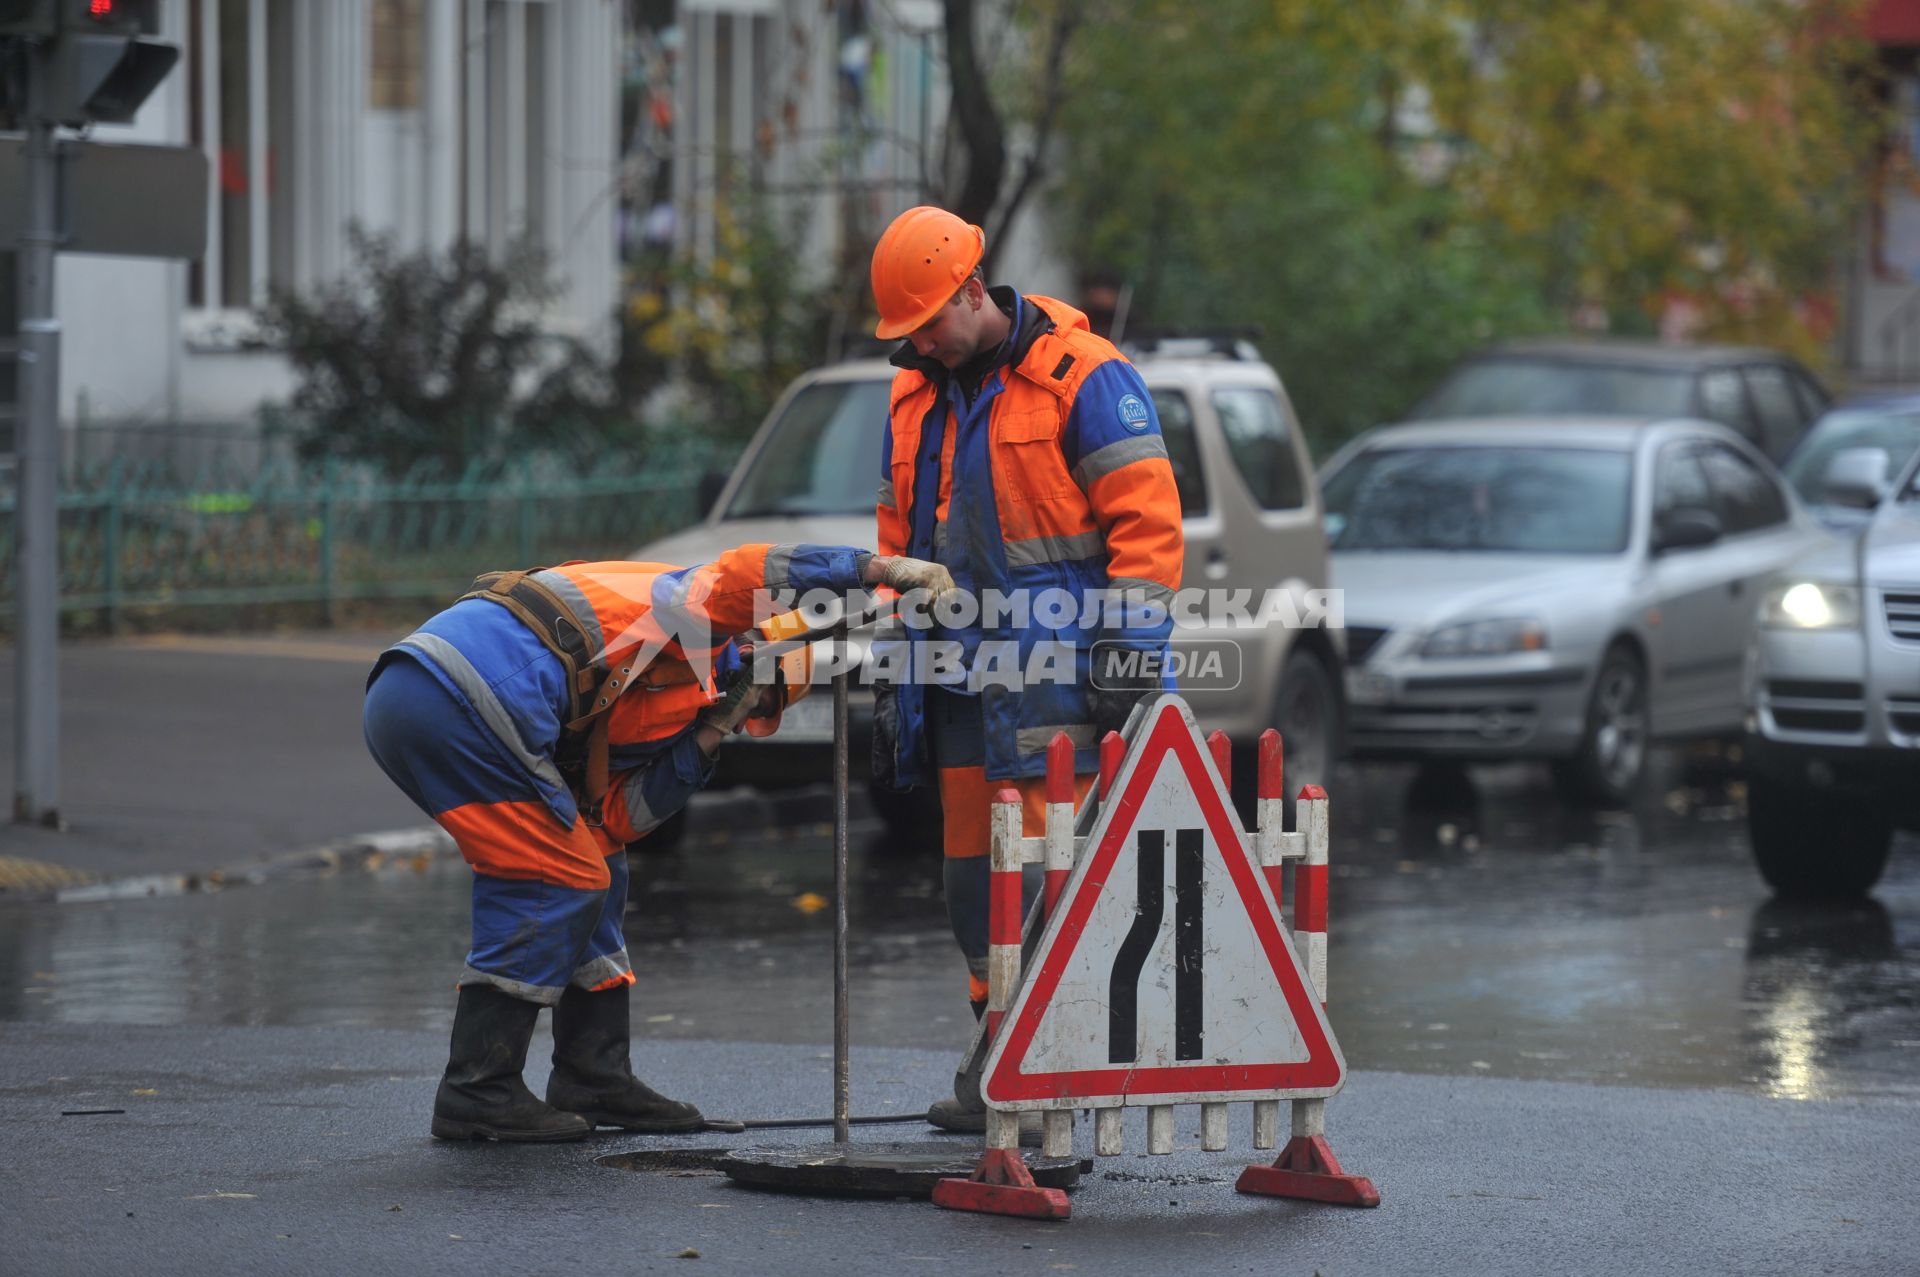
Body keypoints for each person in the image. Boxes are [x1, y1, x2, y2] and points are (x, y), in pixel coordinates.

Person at [364, 544, 953, 1142]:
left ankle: (594, 1075)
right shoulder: (697, 625)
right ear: (751, 652)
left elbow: (617, 819)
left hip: (428, 698)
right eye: (761, 692)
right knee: (558, 877)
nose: (752, 708)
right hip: (461, 690)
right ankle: (478, 1089)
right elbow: (745, 573)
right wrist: (876, 570)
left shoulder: (684, 702)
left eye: (764, 708)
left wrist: (714, 729)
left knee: (596, 864)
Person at [867, 206, 1185, 1132]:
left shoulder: (1084, 378)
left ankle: (1051, 1068)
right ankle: (997, 1056)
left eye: (930, 321)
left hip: (1061, 680)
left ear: (973, 291)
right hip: (957, 686)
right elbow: (896, 544)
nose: (922, 342)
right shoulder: (912, 394)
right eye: (909, 331)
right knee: (974, 880)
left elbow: (1148, 522)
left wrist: (1129, 646)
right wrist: (897, 664)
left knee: (1057, 877)